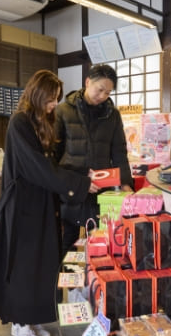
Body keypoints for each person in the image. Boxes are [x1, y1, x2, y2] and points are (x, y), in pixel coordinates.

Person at [0, 70, 99, 336]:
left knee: (40, 265)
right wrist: (81, 184)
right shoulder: (19, 123)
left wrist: (81, 175)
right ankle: (21, 329)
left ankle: (30, 320)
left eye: (56, 100)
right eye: (50, 100)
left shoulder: (39, 122)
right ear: (37, 94)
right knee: (24, 268)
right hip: (23, 208)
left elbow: (52, 165)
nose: (52, 106)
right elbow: (38, 169)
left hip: (41, 205)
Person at [55, 64, 134, 252]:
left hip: (102, 189)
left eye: (108, 93)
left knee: (102, 241)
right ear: (88, 82)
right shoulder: (63, 111)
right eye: (100, 90)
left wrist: (125, 183)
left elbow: (119, 152)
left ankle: (96, 281)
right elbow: (55, 155)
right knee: (68, 240)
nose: (103, 96)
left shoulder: (112, 115)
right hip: (72, 187)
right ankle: (64, 279)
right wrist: (66, 182)